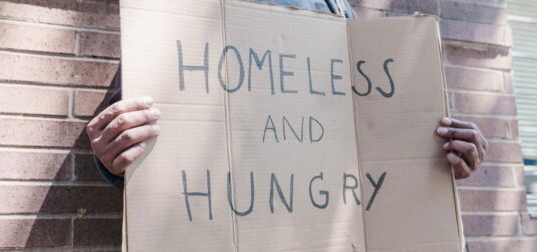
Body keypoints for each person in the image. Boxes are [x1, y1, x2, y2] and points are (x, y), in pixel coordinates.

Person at [85, 0, 488, 188]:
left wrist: (436, 157)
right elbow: (133, 134)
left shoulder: (339, 11)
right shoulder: (180, 9)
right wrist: (114, 156)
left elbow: (371, 135)